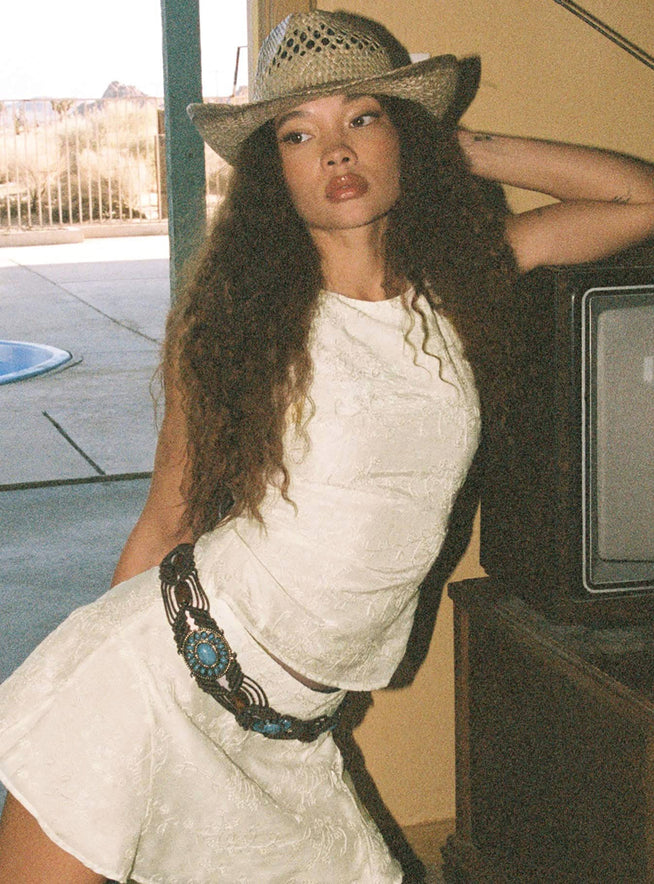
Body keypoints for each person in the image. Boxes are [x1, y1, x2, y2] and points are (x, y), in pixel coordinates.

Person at [1, 9, 653, 883]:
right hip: (156, 677)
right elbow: (165, 522)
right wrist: (89, 671)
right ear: (275, 171)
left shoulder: (456, 287)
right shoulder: (240, 325)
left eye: (364, 118)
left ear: (403, 137)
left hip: (291, 739)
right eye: (299, 134)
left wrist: (462, 147)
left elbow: (640, 200)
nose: (336, 152)